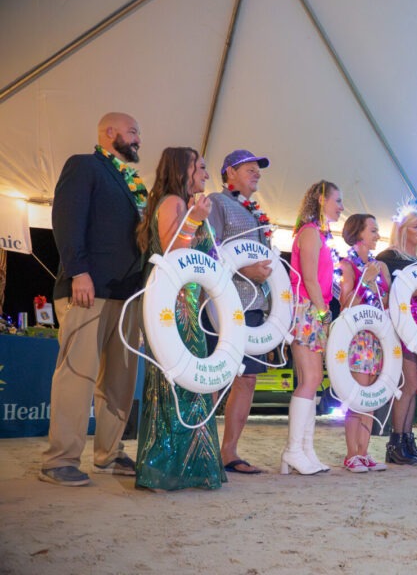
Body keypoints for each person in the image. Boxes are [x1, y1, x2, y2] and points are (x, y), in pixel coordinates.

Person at [40, 113, 145, 486]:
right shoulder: (84, 166)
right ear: (110, 132)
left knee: (120, 380)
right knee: (77, 374)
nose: (138, 140)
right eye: (133, 132)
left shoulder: (132, 183)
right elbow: (66, 218)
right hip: (88, 288)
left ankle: (109, 453)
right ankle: (60, 459)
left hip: (127, 296)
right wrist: (77, 270)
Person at [133, 147, 226, 490]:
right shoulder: (173, 203)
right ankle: (167, 465)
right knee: (178, 378)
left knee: (193, 378)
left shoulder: (183, 204)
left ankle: (191, 464)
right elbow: (174, 252)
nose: (205, 171)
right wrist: (195, 220)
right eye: (199, 166)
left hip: (187, 300)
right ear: (182, 170)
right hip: (174, 304)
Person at [206, 150, 274, 474]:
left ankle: (229, 453)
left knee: (247, 380)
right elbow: (210, 250)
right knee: (215, 376)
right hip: (224, 304)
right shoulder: (217, 203)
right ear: (229, 172)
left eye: (258, 170)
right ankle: (200, 448)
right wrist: (247, 272)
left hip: (255, 307)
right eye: (250, 169)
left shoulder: (258, 214)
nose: (257, 174)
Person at [282, 180, 343, 475]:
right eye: (338, 200)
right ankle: (294, 450)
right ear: (322, 200)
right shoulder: (308, 233)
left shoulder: (319, 235)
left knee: (313, 378)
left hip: (314, 310)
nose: (341, 207)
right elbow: (309, 278)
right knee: (310, 378)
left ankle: (304, 449)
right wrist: (322, 314)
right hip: (306, 309)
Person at [376, 206, 417, 465]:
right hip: (400, 326)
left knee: (413, 386)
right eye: (415, 226)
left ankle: (407, 439)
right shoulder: (388, 258)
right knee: (407, 384)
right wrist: (415, 293)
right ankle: (395, 442)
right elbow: (384, 296)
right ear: (402, 230)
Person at [337, 214, 391, 473]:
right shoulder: (347, 265)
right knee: (357, 396)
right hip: (357, 337)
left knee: (371, 398)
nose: (377, 234)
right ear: (358, 232)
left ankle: (365, 452)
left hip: (377, 337)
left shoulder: (380, 266)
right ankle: (351, 454)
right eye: (373, 229)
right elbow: (345, 304)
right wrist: (365, 280)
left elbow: (389, 301)